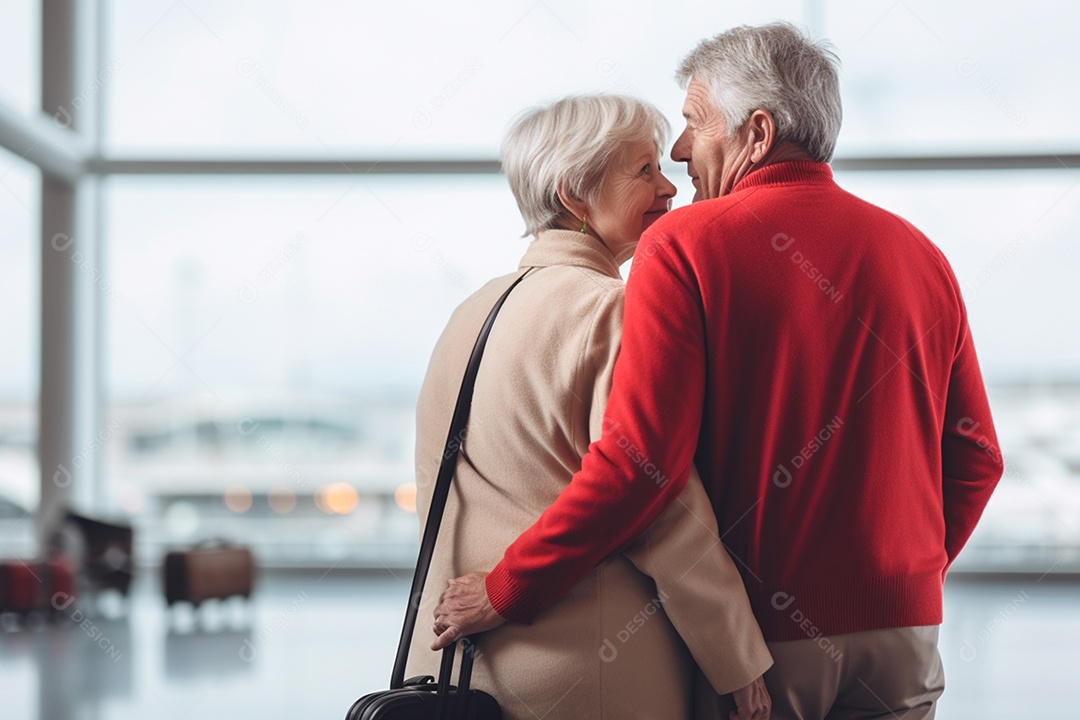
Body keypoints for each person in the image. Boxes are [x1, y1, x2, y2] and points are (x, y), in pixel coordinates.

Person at [433, 23, 1004, 720]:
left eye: (694, 124)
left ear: (757, 134)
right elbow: (977, 456)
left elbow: (643, 464)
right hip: (907, 638)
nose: (679, 151)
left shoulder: (685, 243)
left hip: (771, 639)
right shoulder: (922, 255)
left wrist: (507, 588)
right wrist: (903, 583)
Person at [409, 94, 773, 720]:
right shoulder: (612, 309)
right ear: (575, 195)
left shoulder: (467, 315)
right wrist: (737, 661)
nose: (669, 186)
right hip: (587, 672)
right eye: (643, 171)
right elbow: (659, 503)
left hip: (453, 665)